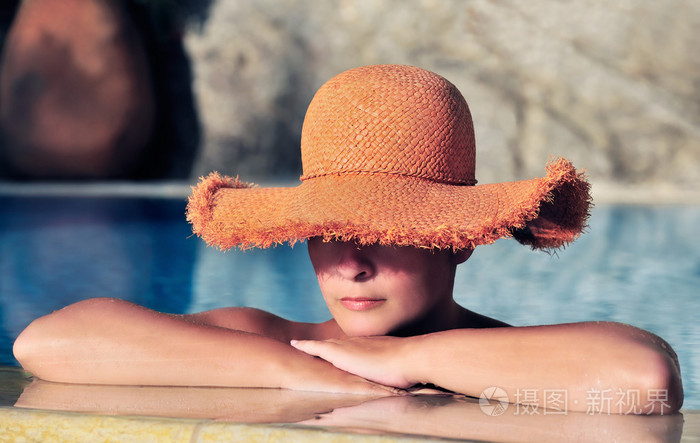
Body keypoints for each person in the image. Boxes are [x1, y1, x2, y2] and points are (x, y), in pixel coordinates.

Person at [13, 65, 683, 414]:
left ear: (457, 240)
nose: (350, 265)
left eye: (383, 232)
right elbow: (45, 341)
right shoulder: (278, 341)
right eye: (327, 231)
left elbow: (644, 376)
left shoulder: (498, 361)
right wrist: (292, 371)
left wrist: (409, 359)